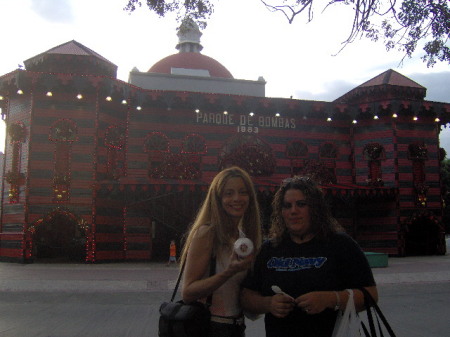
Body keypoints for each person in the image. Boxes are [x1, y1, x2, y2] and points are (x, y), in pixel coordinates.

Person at [240, 176, 378, 337]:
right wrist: (268, 303)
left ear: (315, 208)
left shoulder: (341, 245)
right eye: (287, 205)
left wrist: (330, 299)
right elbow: (246, 296)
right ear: (281, 211)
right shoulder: (268, 249)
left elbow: (371, 295)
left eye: (301, 204)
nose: (293, 211)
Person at [180, 166, 262, 337]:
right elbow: (187, 292)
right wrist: (229, 272)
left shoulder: (242, 238)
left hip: (237, 327)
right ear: (218, 199)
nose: (237, 198)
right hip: (210, 326)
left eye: (243, 192)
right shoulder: (207, 233)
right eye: (228, 193)